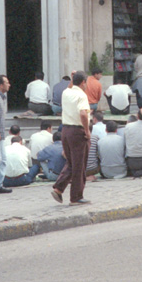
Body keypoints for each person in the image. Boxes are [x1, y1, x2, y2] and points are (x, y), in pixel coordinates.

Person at [51, 71, 92, 205]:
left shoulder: (66, 92)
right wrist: (87, 131)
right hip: (77, 131)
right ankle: (76, 196)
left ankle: (58, 188)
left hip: (65, 130)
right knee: (79, 164)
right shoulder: (82, 95)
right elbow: (83, 114)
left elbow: (70, 86)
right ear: (83, 82)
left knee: (71, 162)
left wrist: (72, 77)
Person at [86, 111, 106, 181]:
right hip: (95, 166)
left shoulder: (94, 128)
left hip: (84, 167)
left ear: (94, 119)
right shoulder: (106, 127)